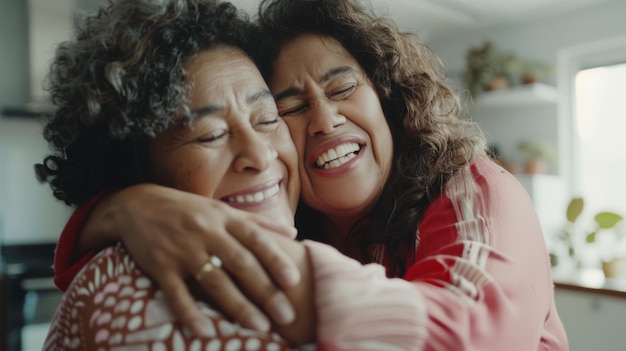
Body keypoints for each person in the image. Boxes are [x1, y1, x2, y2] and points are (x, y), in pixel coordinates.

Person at [46, 0, 569, 349]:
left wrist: (124, 208)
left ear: (387, 99)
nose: (325, 119)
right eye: (288, 107)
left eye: (342, 89)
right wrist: (122, 207)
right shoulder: (290, 216)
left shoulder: (472, 189)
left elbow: (473, 334)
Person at [37, 0, 320, 348]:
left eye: (267, 118)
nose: (261, 155)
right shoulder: (134, 299)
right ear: (139, 172)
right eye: (211, 135)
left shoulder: (322, 234)